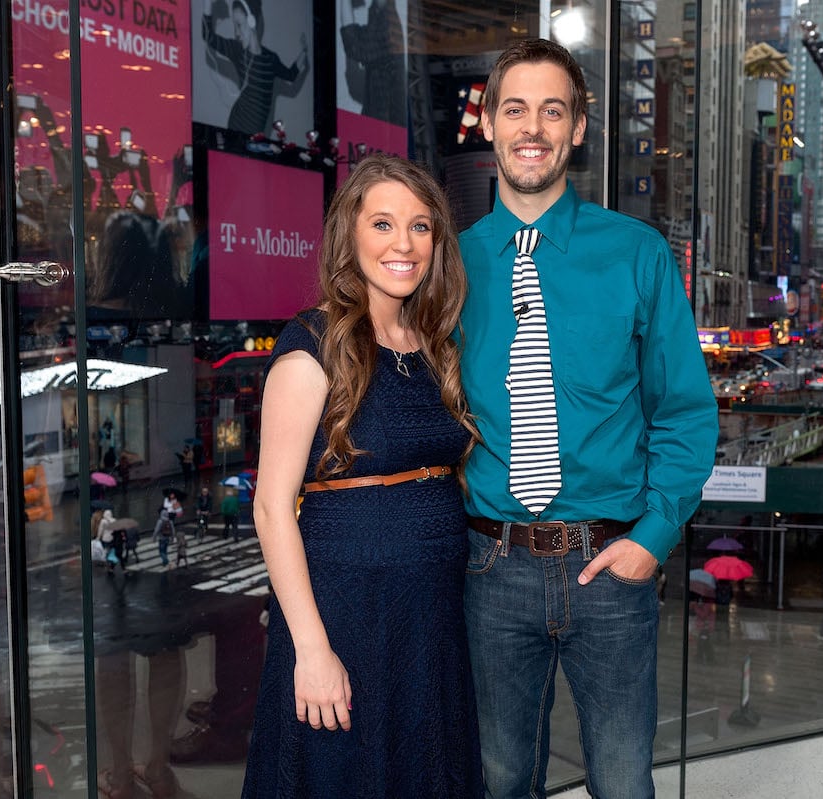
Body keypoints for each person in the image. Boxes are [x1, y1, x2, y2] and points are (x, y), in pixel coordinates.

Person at [457, 39, 718, 796]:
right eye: (514, 109)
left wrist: (654, 537)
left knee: (622, 781)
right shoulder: (450, 263)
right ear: (486, 124)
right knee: (502, 779)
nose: (530, 127)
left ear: (576, 129)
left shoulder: (637, 253)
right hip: (490, 567)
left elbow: (684, 411)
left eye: (551, 110)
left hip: (612, 566)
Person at [241, 154, 481, 797]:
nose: (404, 244)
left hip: (429, 620)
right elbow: (271, 509)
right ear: (349, 234)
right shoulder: (312, 345)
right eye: (383, 223)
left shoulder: (434, 345)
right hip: (345, 614)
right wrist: (312, 652)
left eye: (421, 227)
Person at [200, 1, 309, 135]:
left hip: (257, 133)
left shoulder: (271, 59)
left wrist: (304, 51)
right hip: (237, 127)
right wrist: (207, 3)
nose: (237, 33)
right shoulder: (237, 50)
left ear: (252, 22)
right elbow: (208, 35)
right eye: (235, 27)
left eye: (239, 25)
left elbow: (291, 75)